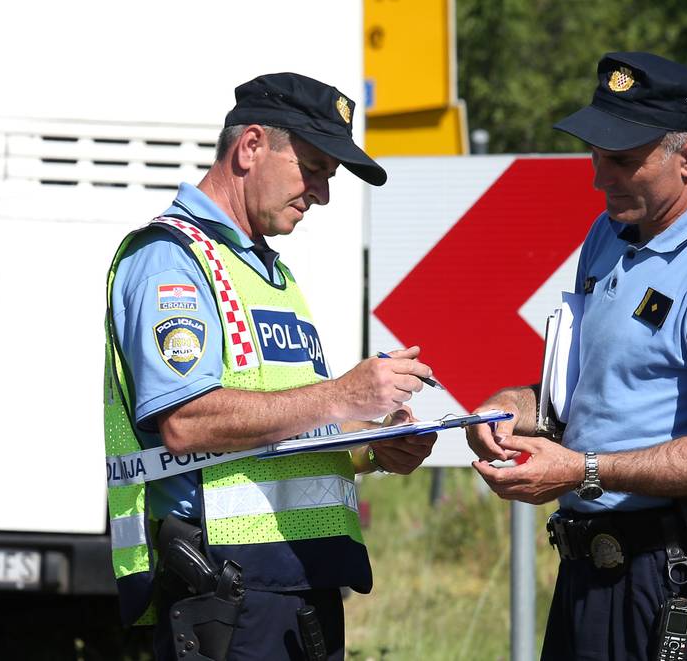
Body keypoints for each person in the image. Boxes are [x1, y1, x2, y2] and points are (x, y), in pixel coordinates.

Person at [103, 72, 437, 660]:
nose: (322, 194)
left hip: (296, 584)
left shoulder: (270, 274)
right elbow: (186, 422)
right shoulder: (172, 259)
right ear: (251, 146)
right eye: (312, 169)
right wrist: (341, 394)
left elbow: (286, 431)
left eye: (328, 177)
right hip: (227, 590)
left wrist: (376, 446)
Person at [465, 52, 687, 660]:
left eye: (622, 160)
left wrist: (581, 470)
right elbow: (584, 392)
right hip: (589, 573)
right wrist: (510, 410)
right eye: (596, 154)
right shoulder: (609, 234)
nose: (599, 177)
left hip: (675, 580)